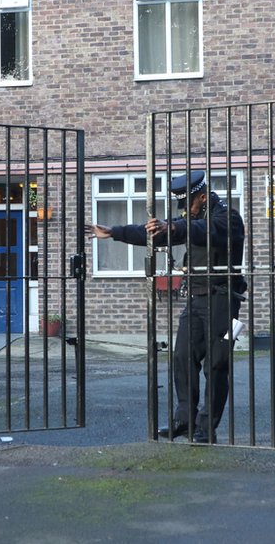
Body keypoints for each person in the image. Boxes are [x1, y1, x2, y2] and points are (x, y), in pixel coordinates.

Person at [84, 170, 246, 443]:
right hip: (195, 299)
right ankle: (184, 421)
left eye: (189, 203)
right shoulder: (189, 221)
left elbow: (205, 231)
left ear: (203, 197)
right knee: (182, 358)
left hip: (221, 299)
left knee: (216, 366)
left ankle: (206, 428)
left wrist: (176, 228)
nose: (185, 211)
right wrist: (114, 232)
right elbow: (156, 234)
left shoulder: (227, 218)